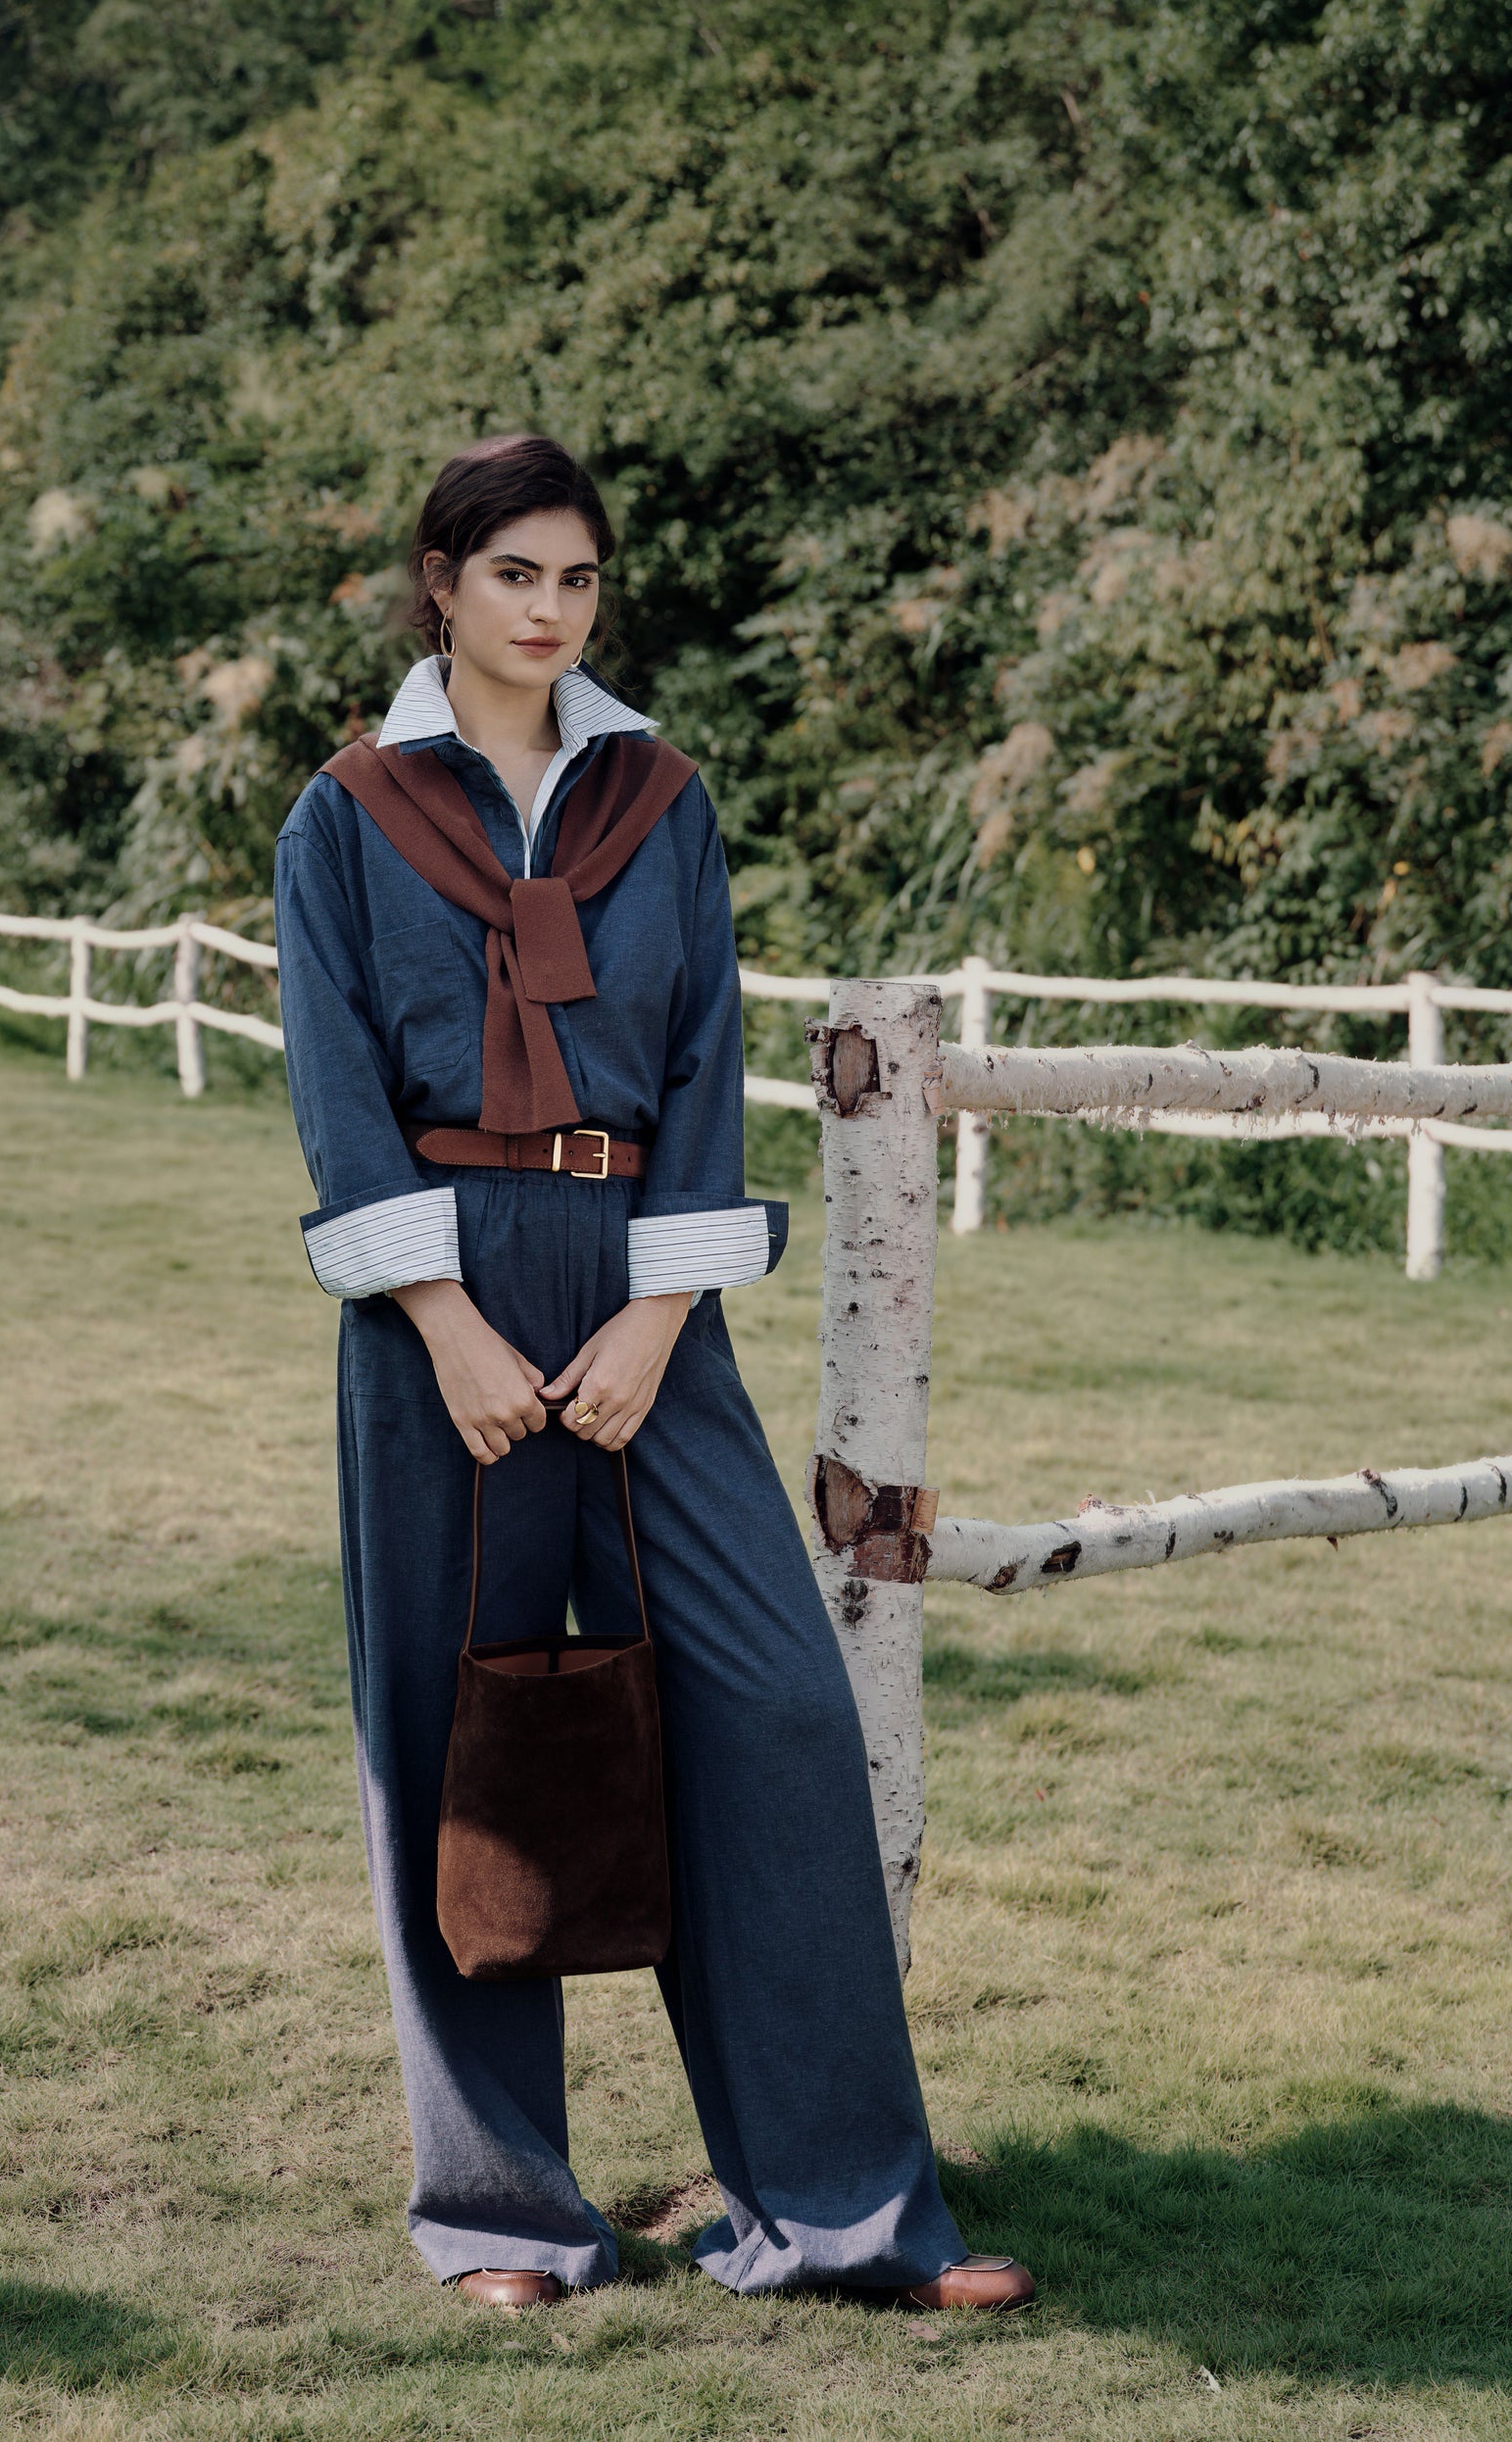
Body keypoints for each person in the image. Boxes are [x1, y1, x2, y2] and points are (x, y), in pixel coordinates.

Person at [272, 432, 1034, 2313]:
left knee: (773, 1712)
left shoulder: (660, 801)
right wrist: (444, 1321)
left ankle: (843, 2215)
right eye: (514, 573)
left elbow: (703, 1060)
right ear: (441, 583)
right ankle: (505, 2217)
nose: (551, 609)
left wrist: (654, 1315)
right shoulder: (344, 819)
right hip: (438, 1302)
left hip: (643, 1288)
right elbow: (340, 1090)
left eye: (579, 578)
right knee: (449, 1739)